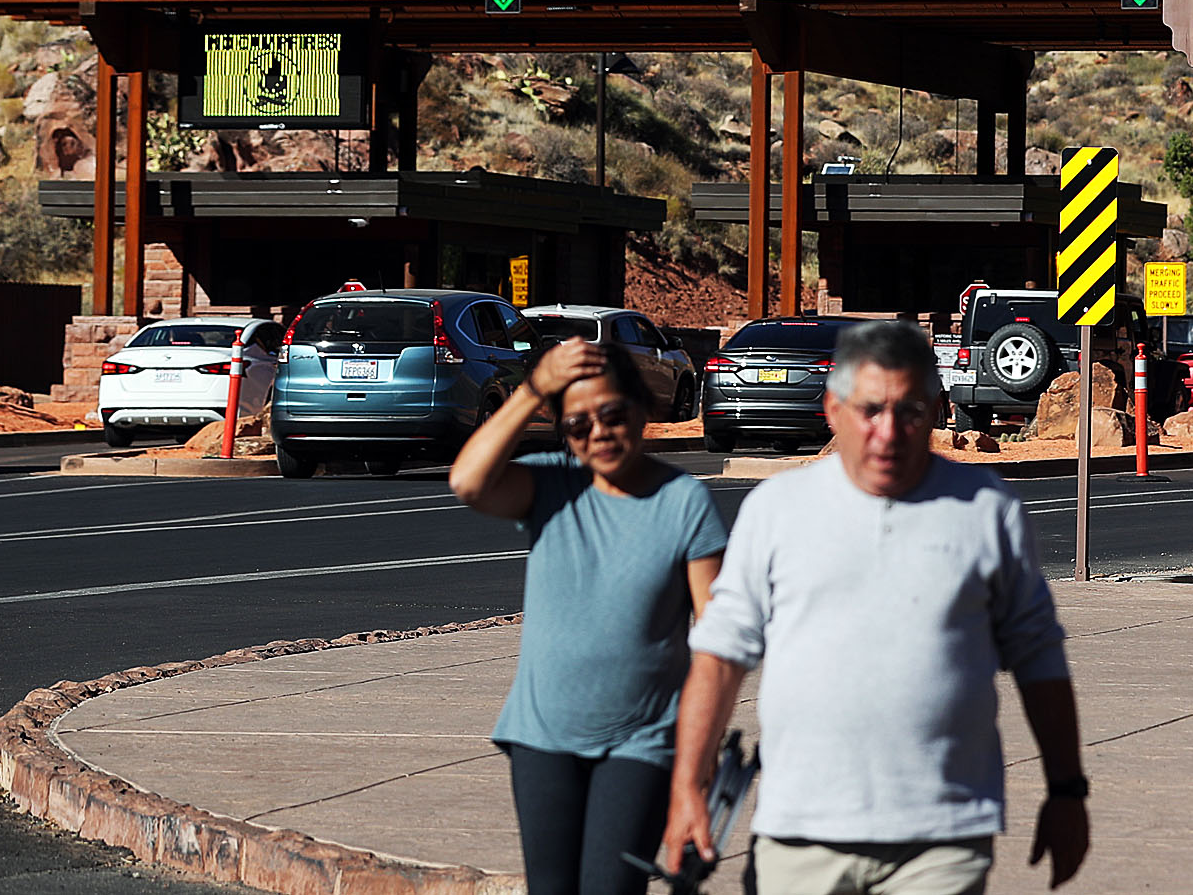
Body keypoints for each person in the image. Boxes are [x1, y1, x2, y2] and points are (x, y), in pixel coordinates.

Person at [662, 319, 1090, 895]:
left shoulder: (987, 510)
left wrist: (1066, 792)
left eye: (909, 411)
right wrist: (688, 785)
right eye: (870, 410)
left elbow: (1039, 660)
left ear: (936, 411)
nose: (888, 433)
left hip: (942, 839)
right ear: (833, 410)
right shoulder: (776, 510)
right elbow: (717, 657)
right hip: (801, 835)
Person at [451, 336, 729, 895]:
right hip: (542, 737)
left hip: (642, 740)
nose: (598, 433)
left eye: (612, 414)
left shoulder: (683, 501)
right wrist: (535, 389)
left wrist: (698, 766)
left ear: (642, 410)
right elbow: (468, 481)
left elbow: (719, 641)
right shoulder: (549, 482)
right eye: (577, 424)